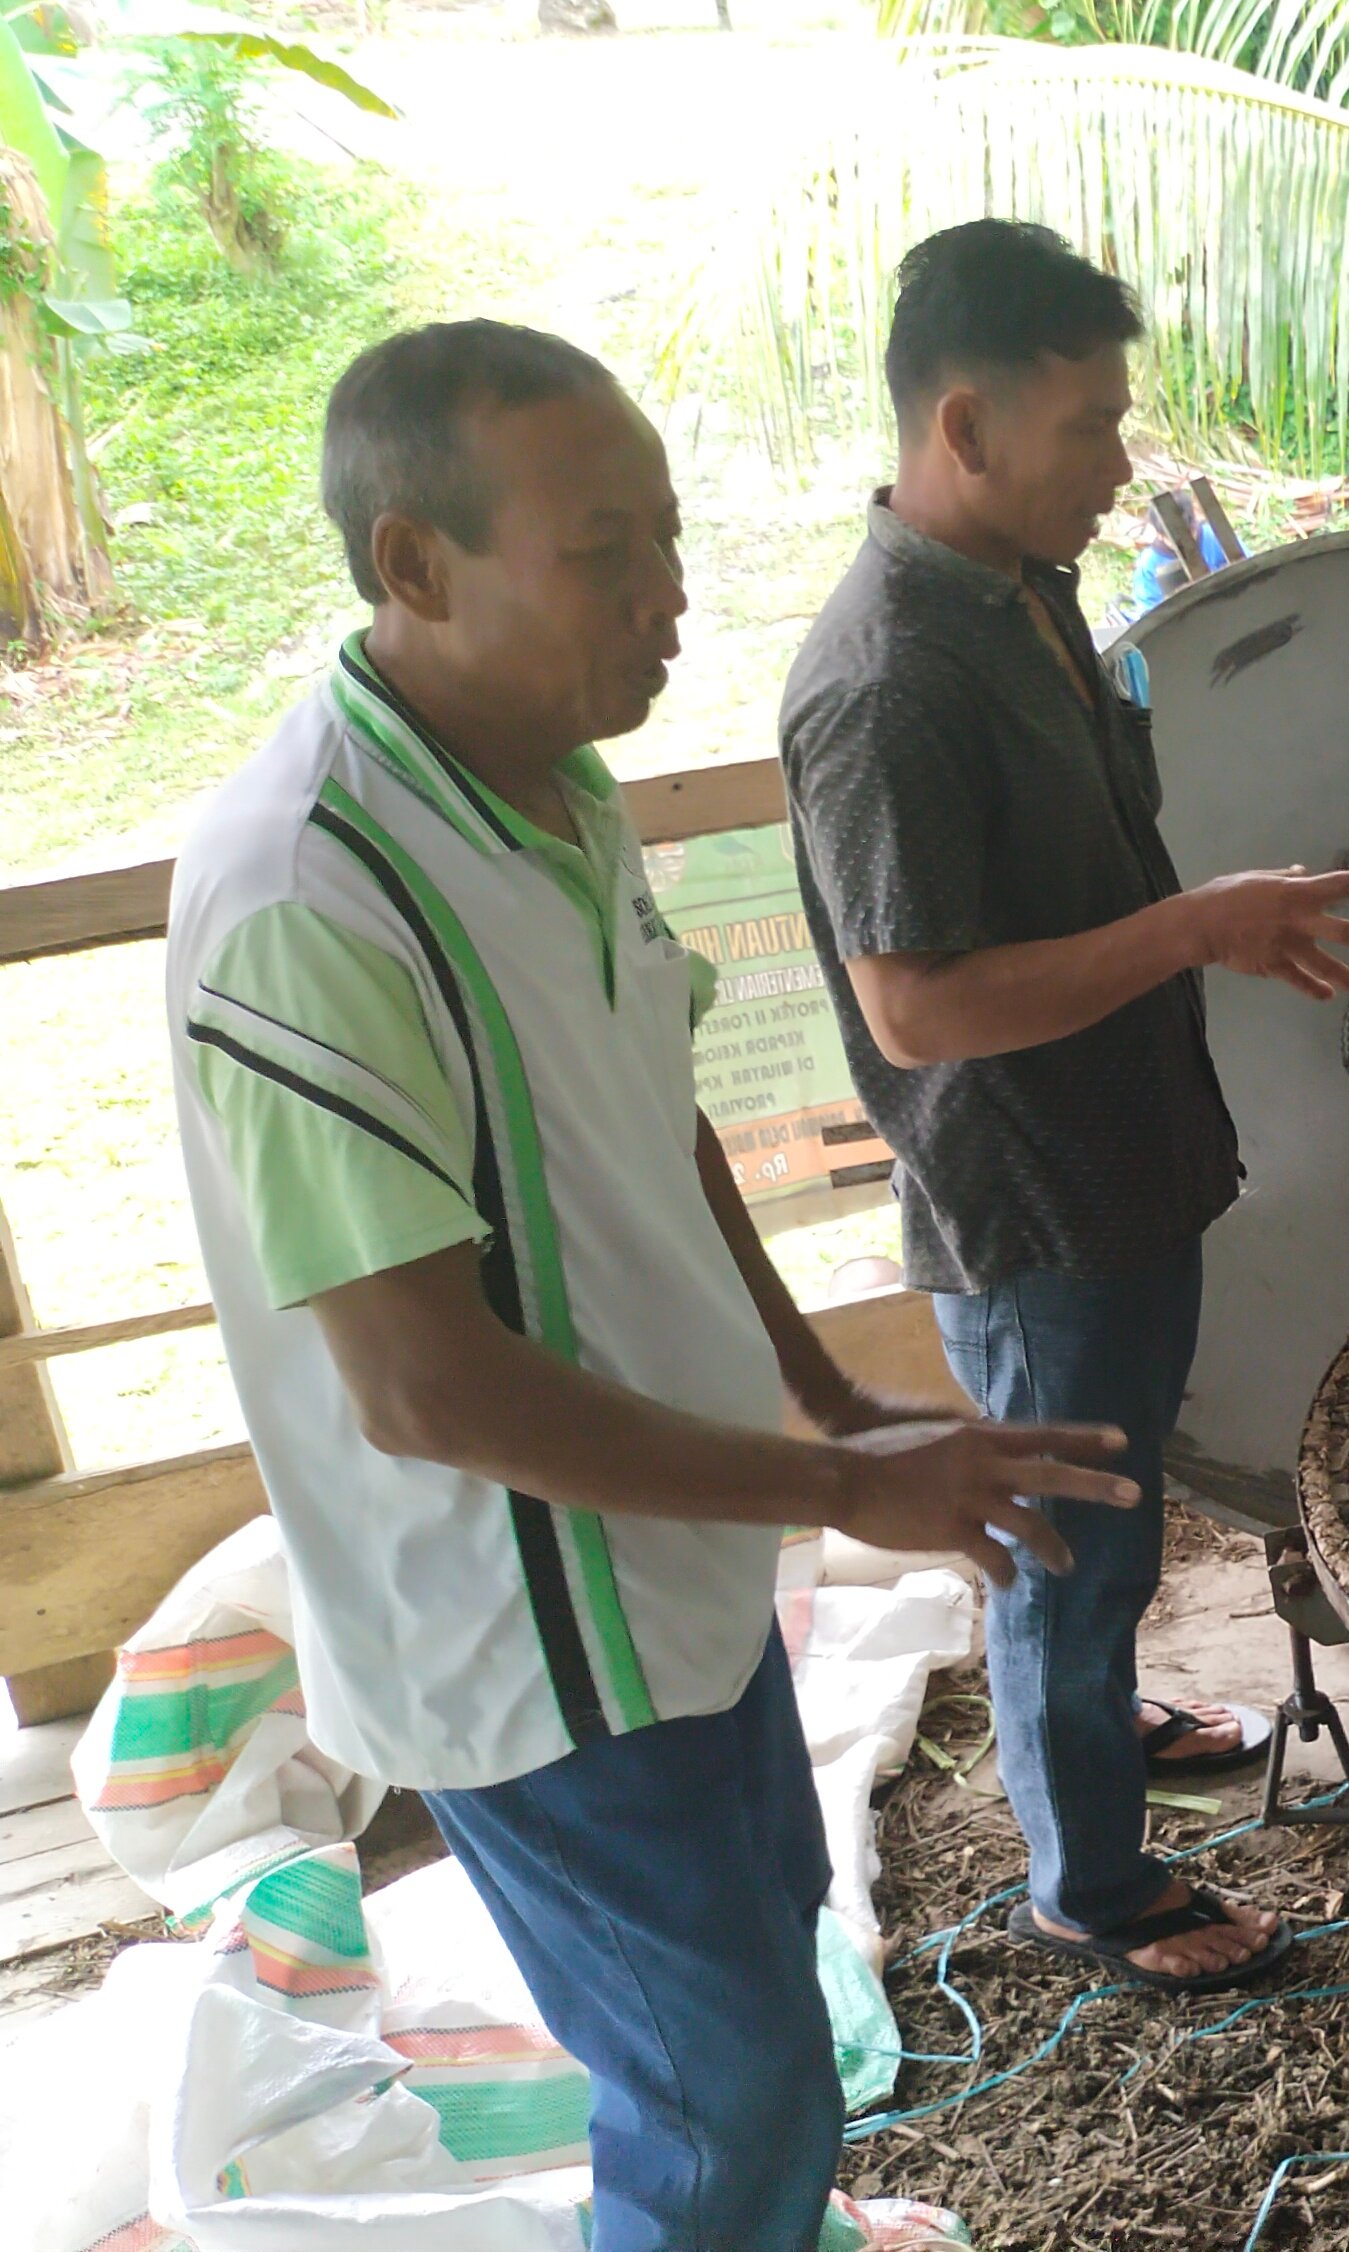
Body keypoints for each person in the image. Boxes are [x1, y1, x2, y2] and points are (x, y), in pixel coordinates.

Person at [166, 319, 1140, 2251]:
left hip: (679, 1561)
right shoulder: (309, 899)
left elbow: (655, 1109)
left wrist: (830, 1399)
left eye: (673, 541)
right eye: (604, 555)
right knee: (724, 2099)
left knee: (767, 1979)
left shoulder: (551, 784)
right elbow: (426, 1390)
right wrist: (848, 1489)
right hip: (533, 1647)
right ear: (412, 567)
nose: (667, 598)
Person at [780, 221, 1349, 1990]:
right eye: (1086, 429)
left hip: (1125, 1152)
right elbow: (916, 1000)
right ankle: (1094, 1883)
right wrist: (1203, 926)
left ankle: (1098, 1721)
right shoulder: (889, 677)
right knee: (1062, 1524)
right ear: (963, 430)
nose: (1119, 464)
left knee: (1107, 1500)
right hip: (1038, 1193)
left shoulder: (1019, 590)